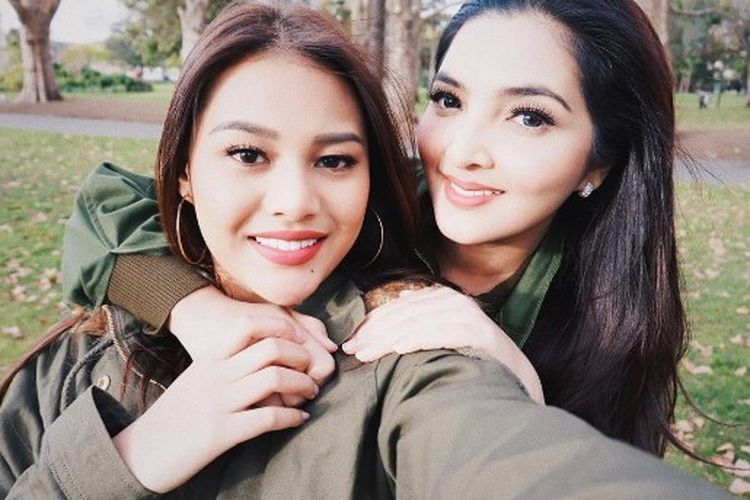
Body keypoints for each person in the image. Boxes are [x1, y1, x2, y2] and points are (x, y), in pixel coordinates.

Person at [3, 3, 730, 498]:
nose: (462, 150)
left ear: (600, 160)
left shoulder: (611, 315)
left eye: (530, 116)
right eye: (448, 100)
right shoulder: (383, 197)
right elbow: (115, 204)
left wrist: (515, 378)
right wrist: (198, 311)